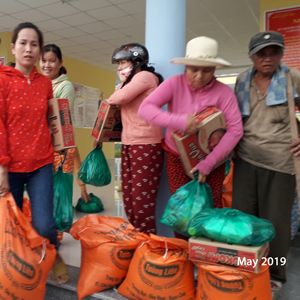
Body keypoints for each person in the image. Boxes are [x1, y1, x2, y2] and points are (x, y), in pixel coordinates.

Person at [138, 37, 243, 214]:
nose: (200, 76)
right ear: (186, 66)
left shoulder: (224, 93)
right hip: (177, 157)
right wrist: (179, 121)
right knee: (181, 209)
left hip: (213, 160)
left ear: (215, 69)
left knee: (210, 208)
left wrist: (208, 163)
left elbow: (236, 130)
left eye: (207, 71)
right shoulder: (174, 83)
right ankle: (183, 243)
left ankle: (204, 243)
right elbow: (145, 109)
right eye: (194, 69)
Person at [233, 31, 300, 290]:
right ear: (252, 56)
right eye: (262, 52)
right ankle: (248, 268)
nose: (268, 58)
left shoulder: (291, 77)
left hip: (281, 161)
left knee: (276, 223)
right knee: (244, 219)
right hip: (245, 159)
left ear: (281, 54)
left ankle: (276, 275)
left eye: (274, 52)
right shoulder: (242, 80)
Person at [0, 22, 65, 280]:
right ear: (13, 48)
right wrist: (2, 166)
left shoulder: (44, 84)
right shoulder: (2, 80)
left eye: (34, 44)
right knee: (11, 228)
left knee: (45, 224)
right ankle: (18, 271)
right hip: (11, 166)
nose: (29, 49)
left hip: (41, 164)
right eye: (23, 43)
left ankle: (53, 252)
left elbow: (51, 121)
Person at [106, 43, 164, 234]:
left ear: (136, 61)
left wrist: (118, 89)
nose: (119, 68)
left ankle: (148, 243)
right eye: (119, 64)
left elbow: (117, 98)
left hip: (146, 144)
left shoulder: (145, 77)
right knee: (130, 197)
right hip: (130, 143)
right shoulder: (130, 81)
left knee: (141, 202)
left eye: (123, 62)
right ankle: (138, 240)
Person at [40, 43, 90, 202]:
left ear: (60, 63)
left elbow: (61, 118)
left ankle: (62, 220)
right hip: (42, 142)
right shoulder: (39, 83)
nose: (47, 65)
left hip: (60, 144)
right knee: (46, 187)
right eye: (43, 60)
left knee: (61, 185)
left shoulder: (64, 86)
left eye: (52, 61)